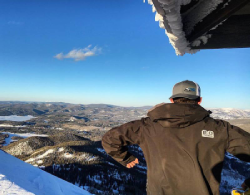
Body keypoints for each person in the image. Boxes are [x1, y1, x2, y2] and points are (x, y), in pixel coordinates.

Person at [102, 80, 250, 195]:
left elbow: (110, 139)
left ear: (172, 100)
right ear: (199, 100)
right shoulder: (220, 129)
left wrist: (125, 158)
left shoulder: (146, 126)